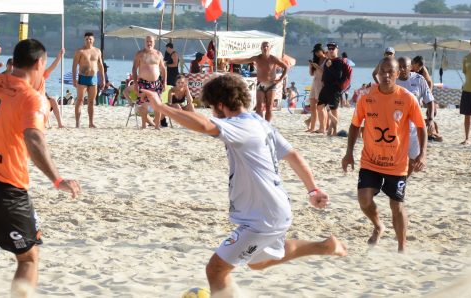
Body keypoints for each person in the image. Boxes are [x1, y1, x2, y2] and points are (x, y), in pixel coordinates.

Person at [143, 74, 346, 296]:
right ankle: (324, 246)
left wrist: (160, 106)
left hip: (262, 218)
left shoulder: (239, 125)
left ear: (221, 105)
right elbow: (293, 155)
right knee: (257, 263)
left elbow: (203, 125)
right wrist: (313, 189)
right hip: (276, 210)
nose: (212, 112)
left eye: (212, 107)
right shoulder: (260, 122)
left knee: (216, 269)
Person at [0, 40, 81, 296]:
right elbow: (34, 139)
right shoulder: (31, 98)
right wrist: (57, 180)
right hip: (7, 191)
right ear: (38, 64)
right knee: (28, 257)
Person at [342, 57, 427, 253]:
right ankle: (379, 226)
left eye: (391, 71)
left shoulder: (407, 98)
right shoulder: (366, 97)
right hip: (370, 160)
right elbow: (355, 125)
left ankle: (401, 248)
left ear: (398, 74)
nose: (386, 75)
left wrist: (422, 154)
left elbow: (421, 128)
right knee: (364, 200)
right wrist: (348, 153)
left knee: (396, 205)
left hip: (396, 163)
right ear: (377, 74)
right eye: (383, 71)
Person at [227, 41, 288, 122]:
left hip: (271, 84)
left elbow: (286, 67)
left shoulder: (273, 59)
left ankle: (267, 124)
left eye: (267, 46)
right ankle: (260, 123)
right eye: (263, 46)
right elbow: (245, 60)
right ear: (261, 48)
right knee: (259, 106)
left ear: (270, 48)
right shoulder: (257, 58)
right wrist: (232, 61)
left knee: (269, 107)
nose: (265, 48)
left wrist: (280, 79)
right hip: (260, 84)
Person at [395, 56, 434, 175]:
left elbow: (429, 100)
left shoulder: (419, 79)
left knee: (414, 159)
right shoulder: (392, 79)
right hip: (395, 124)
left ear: (410, 67)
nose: (401, 69)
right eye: (399, 66)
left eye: (404, 67)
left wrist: (431, 119)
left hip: (414, 125)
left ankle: (404, 180)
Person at [131, 35, 166, 129]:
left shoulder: (158, 54)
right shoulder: (140, 54)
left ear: (154, 42)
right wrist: (135, 83)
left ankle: (157, 126)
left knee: (158, 104)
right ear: (144, 42)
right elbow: (134, 68)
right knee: (144, 105)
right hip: (143, 82)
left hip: (156, 83)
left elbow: (163, 69)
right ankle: (143, 125)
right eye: (147, 41)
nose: (149, 43)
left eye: (151, 41)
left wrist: (165, 82)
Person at [71, 32, 105, 128]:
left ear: (93, 40)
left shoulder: (97, 51)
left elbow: (101, 66)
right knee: (80, 100)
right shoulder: (80, 51)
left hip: (93, 78)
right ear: (84, 40)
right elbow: (74, 66)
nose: (88, 41)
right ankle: (77, 123)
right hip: (82, 78)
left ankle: (91, 122)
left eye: (90, 39)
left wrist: (103, 80)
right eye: (86, 39)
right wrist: (74, 79)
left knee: (91, 101)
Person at [318, 42, 352, 136]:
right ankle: (323, 128)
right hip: (325, 88)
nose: (331, 50)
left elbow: (338, 75)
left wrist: (330, 66)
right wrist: (322, 81)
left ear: (337, 50)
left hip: (334, 89)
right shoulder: (328, 61)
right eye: (329, 49)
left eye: (333, 49)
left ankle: (334, 131)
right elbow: (325, 73)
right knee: (320, 107)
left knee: (334, 109)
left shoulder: (339, 61)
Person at [35, 48, 66, 128]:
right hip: (34, 98)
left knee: (53, 101)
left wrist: (59, 56)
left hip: (43, 97)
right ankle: (43, 123)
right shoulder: (29, 75)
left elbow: (53, 66)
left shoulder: (42, 74)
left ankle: (60, 123)